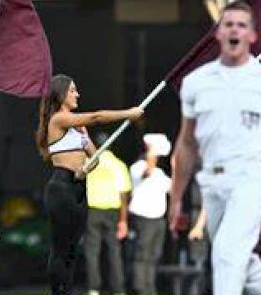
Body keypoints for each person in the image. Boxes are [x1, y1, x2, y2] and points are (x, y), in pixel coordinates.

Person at [169, 1, 261, 295]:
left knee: (227, 255)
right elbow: (186, 142)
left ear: (252, 36)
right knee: (242, 261)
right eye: (228, 24)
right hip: (212, 182)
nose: (234, 30)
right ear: (218, 33)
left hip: (253, 178)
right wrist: (177, 197)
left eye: (241, 25)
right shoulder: (196, 83)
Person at [34, 74, 143, 295]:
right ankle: (59, 291)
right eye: (73, 90)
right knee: (61, 248)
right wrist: (128, 114)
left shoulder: (78, 127)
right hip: (61, 187)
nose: (77, 94)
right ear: (61, 94)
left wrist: (87, 166)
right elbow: (96, 117)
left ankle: (70, 289)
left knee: (74, 248)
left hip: (79, 187)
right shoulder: (58, 119)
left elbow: (95, 158)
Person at [128, 134, 172, 295]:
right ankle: (141, 288)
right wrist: (151, 151)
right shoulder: (137, 167)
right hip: (143, 217)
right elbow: (147, 171)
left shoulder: (160, 173)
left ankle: (150, 287)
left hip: (158, 219)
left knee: (154, 255)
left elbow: (172, 189)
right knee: (143, 253)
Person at [84, 149, 131, 295]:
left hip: (92, 209)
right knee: (114, 251)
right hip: (112, 211)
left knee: (92, 251)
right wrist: (123, 220)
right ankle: (118, 288)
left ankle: (94, 288)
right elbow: (124, 194)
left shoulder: (88, 163)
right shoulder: (118, 165)